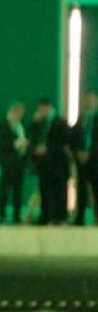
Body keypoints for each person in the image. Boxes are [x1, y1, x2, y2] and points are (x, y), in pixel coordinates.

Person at [29, 98, 72, 225]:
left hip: (58, 163)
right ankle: (45, 215)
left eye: (42, 108)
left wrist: (47, 147)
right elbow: (32, 138)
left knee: (59, 190)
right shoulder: (38, 123)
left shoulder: (60, 122)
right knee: (44, 189)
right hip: (44, 164)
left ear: (48, 107)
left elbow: (63, 141)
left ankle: (60, 217)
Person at [0, 102, 29, 224]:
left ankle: (17, 215)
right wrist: (16, 144)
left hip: (20, 162)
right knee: (4, 190)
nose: (20, 115)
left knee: (18, 190)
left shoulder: (22, 125)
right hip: (7, 162)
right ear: (13, 111)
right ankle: (2, 214)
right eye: (18, 112)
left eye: (22, 112)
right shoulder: (4, 125)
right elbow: (1, 142)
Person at [73, 90, 98, 226]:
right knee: (81, 190)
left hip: (95, 160)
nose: (89, 102)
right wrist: (78, 152)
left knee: (96, 189)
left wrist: (90, 153)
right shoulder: (81, 118)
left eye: (92, 99)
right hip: (81, 160)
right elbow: (75, 137)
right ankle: (80, 217)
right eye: (87, 99)